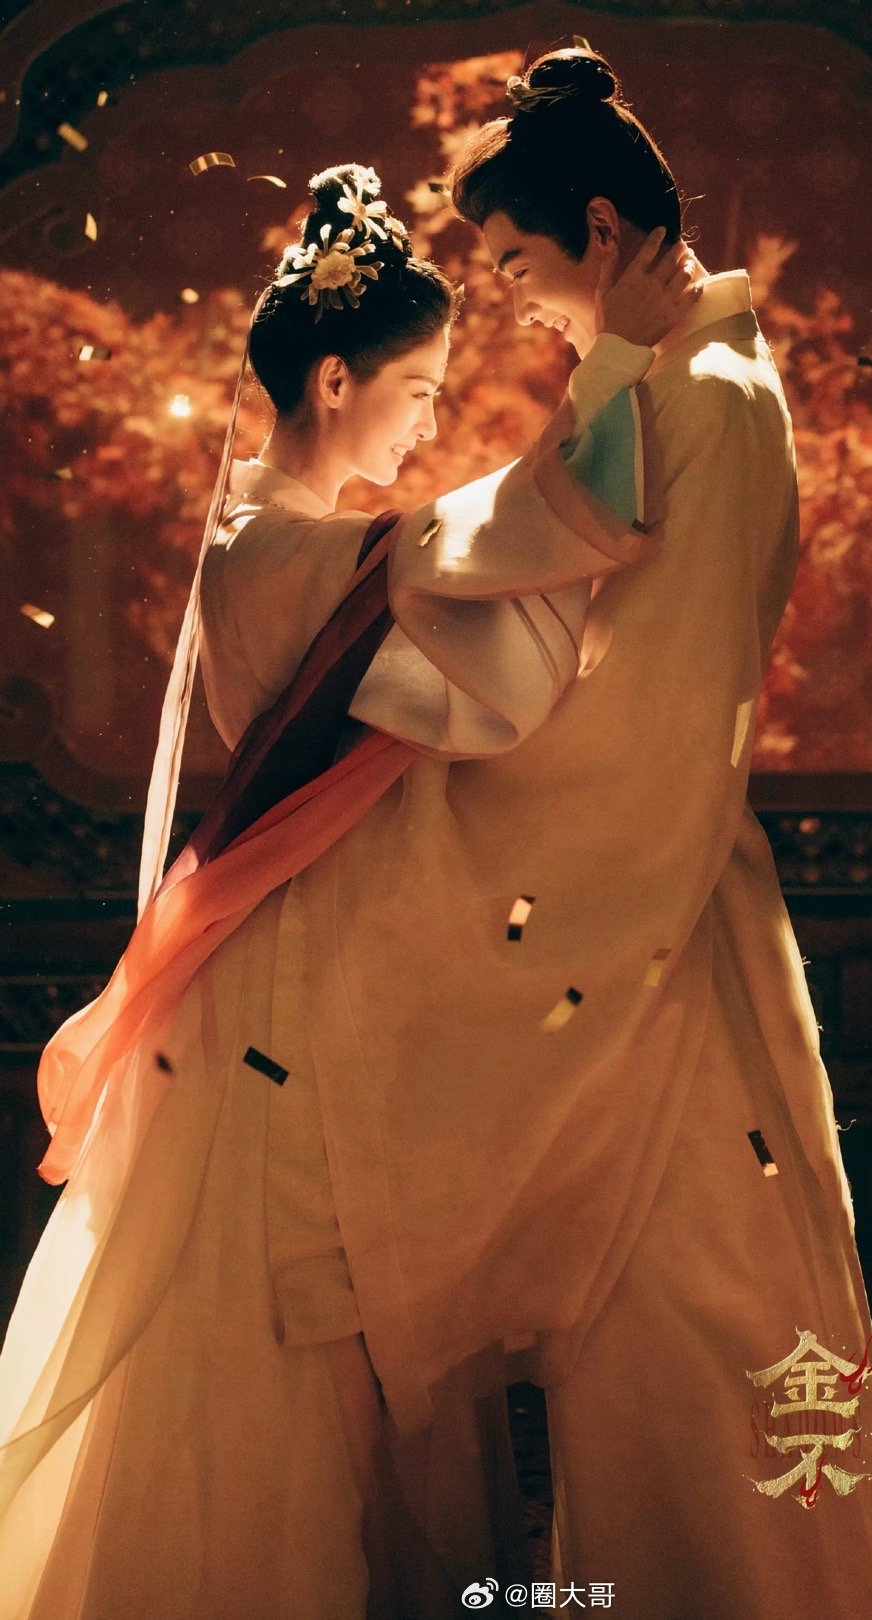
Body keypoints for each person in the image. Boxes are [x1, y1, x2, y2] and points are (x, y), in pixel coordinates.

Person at [0, 160, 700, 1618]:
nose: (434, 423)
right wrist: (618, 367)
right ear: (335, 379)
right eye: (421, 390)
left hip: (296, 959)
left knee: (308, 1312)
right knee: (304, 1311)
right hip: (301, 982)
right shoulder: (312, 556)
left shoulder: (265, 539)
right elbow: (550, 541)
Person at [439, 44, 872, 1619]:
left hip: (655, 901)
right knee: (665, 1321)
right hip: (647, 893)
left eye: (514, 262)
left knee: (700, 1311)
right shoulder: (664, 384)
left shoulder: (707, 402)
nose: (509, 298)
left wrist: (459, 808)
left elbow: (660, 709)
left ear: (599, 229)